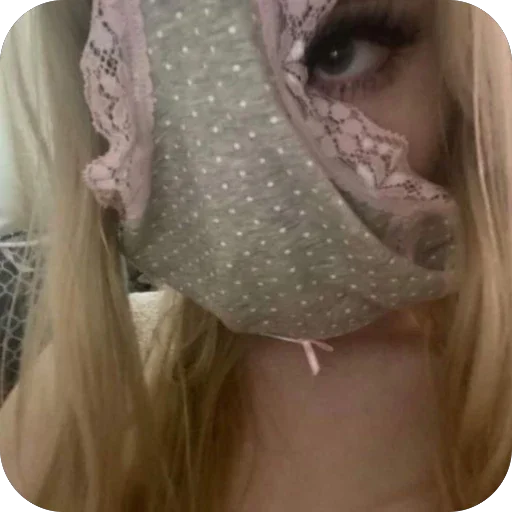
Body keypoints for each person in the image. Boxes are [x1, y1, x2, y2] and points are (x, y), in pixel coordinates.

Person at [0, 0, 511, 511]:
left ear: (462, 66)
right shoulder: (68, 414)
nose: (255, 184)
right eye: (170, 75)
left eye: (337, 53)